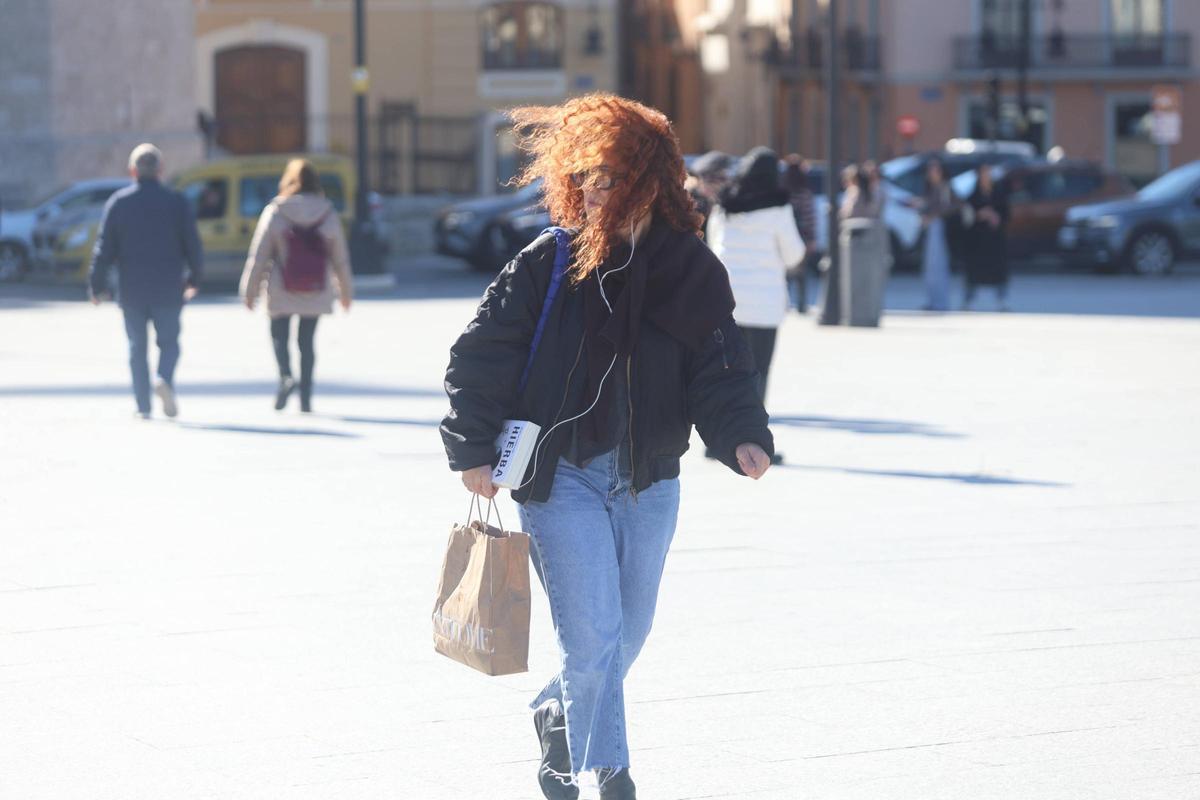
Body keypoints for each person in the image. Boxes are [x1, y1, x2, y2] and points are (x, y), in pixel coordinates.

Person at [440, 94, 774, 800]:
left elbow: (721, 366)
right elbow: (480, 354)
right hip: (562, 479)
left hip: (650, 480)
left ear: (649, 181)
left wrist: (741, 434)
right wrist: (471, 446)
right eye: (584, 175)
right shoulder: (550, 261)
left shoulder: (691, 271)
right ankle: (602, 772)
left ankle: (555, 716)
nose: (593, 188)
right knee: (593, 639)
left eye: (610, 175)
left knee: (625, 635)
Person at [88, 143, 202, 419]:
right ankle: (164, 378)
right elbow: (193, 245)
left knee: (137, 347)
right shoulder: (177, 202)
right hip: (168, 287)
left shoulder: (119, 203)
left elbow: (104, 248)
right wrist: (195, 278)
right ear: (161, 170)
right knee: (169, 343)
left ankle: (143, 405)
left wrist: (97, 285)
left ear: (132, 171)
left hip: (132, 289)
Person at [706, 146, 804, 462]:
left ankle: (716, 440)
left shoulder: (724, 204)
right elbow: (794, 254)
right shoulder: (778, 207)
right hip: (764, 304)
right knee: (757, 373)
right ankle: (753, 446)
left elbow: (712, 245)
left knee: (725, 371)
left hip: (725, 300)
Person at [240, 159, 353, 412]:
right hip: (316, 287)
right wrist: (346, 292)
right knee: (307, 342)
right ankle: (306, 396)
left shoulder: (276, 211)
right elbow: (340, 257)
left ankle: (285, 377)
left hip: (281, 287)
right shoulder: (327, 212)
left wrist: (249, 291)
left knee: (279, 336)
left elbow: (259, 255)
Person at [906, 158, 956, 311]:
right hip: (930, 228)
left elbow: (947, 208)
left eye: (935, 170)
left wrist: (931, 217)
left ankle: (941, 302)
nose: (932, 174)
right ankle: (933, 301)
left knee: (938, 266)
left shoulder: (944, 187)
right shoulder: (930, 188)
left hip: (939, 228)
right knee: (929, 267)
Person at [963, 164, 1011, 311]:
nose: (985, 178)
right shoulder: (973, 195)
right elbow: (966, 217)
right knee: (974, 271)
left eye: (987, 174)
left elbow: (1006, 214)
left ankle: (1002, 301)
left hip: (995, 240)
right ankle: (969, 301)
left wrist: (996, 217)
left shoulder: (998, 194)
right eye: (982, 174)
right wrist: (979, 215)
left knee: (999, 270)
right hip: (978, 241)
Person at [782, 154, 817, 312]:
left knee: (785, 273)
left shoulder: (782, 192)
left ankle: (784, 303)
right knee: (801, 274)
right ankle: (802, 305)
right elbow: (810, 217)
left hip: (784, 235)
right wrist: (811, 238)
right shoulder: (804, 193)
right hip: (801, 235)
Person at [685, 150, 732, 229]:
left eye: (722, 179)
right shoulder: (691, 204)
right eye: (712, 179)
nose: (717, 186)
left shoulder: (726, 201)